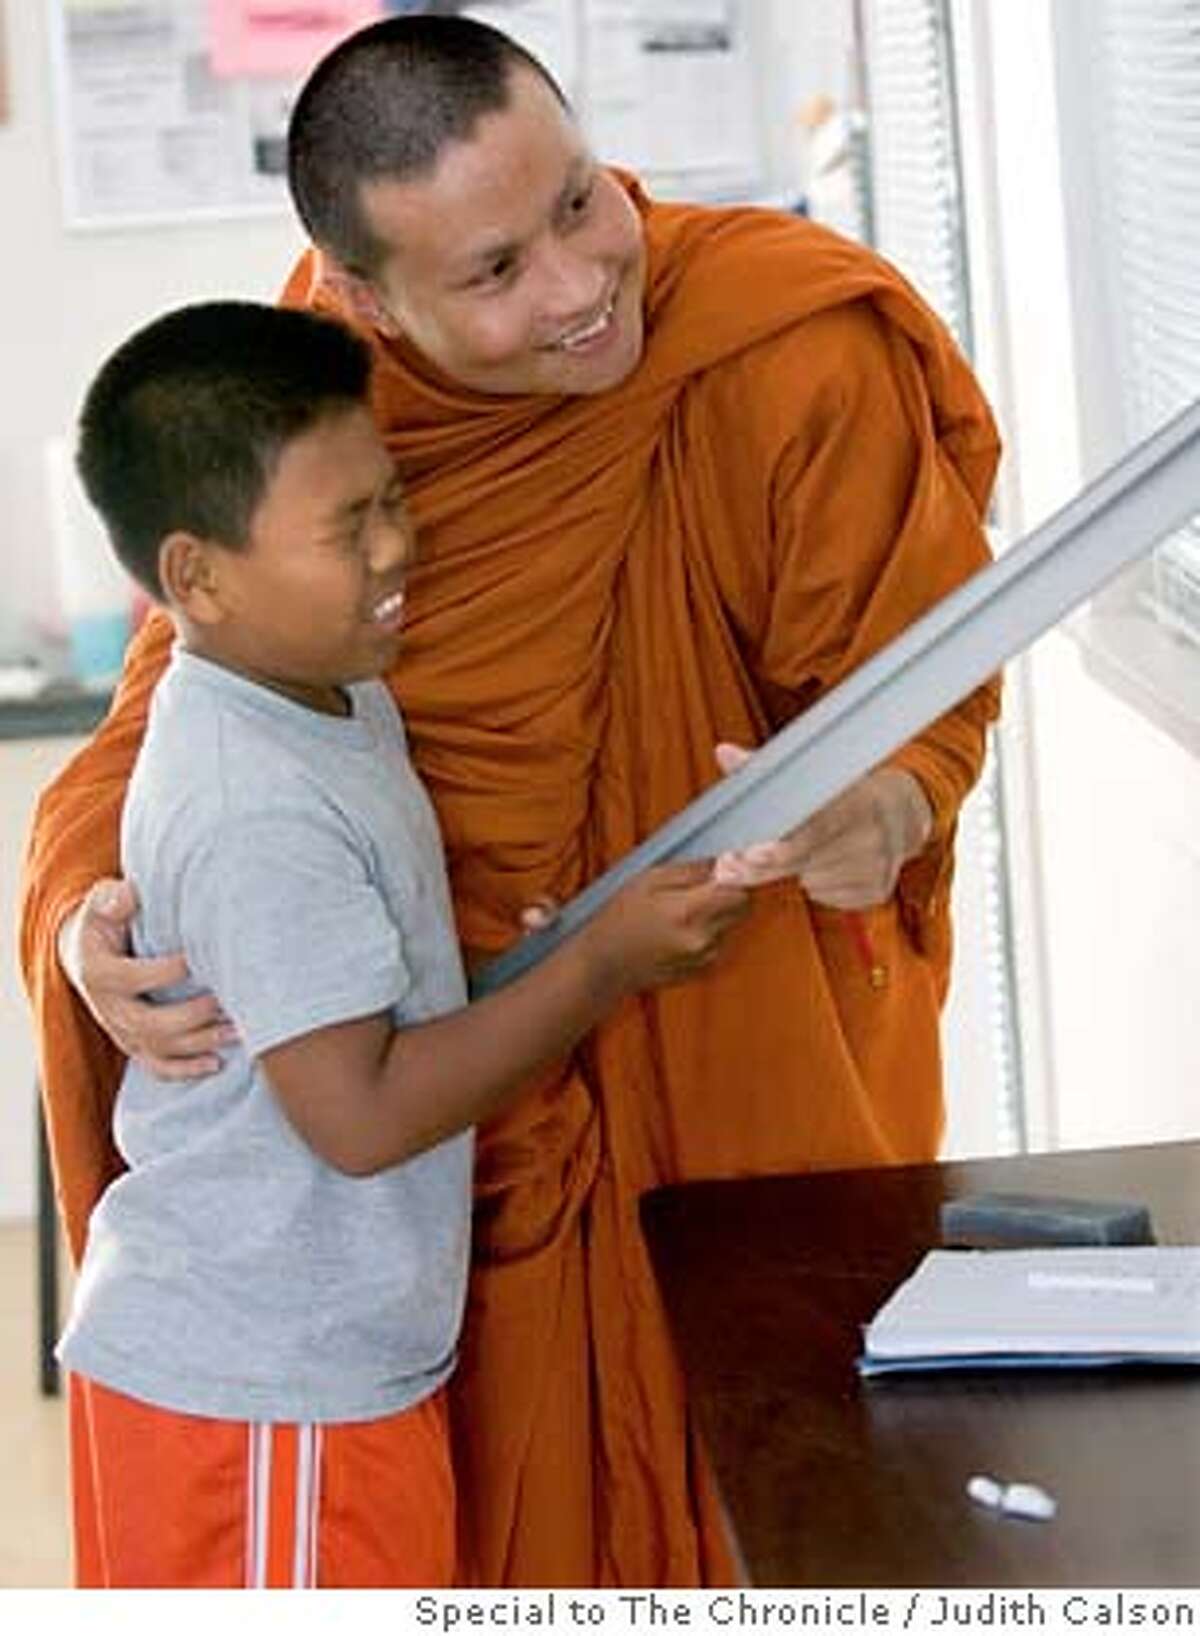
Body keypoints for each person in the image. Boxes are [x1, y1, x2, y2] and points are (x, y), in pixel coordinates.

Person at [21, 14, 1002, 1588]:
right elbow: (166, 712)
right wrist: (89, 924)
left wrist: (877, 807)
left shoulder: (784, 338)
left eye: (578, 202)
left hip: (741, 1069)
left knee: (780, 1510)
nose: (578, 284)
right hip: (446, 1145)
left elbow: (925, 693)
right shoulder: (319, 403)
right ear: (360, 299)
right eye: (490, 274)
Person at [52, 298, 748, 1588]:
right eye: (346, 528)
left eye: (392, 501)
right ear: (196, 577)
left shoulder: (330, 693)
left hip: (311, 1366)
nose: (395, 552)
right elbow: (359, 1116)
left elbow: (354, 1015)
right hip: (260, 1389)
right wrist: (597, 974)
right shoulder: (251, 798)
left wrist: (553, 957)